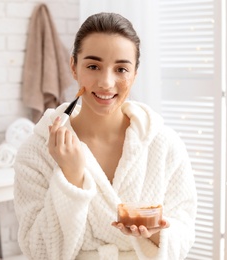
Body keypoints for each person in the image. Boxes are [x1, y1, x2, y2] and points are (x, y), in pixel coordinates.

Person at [13, 12, 197, 260]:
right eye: (93, 66)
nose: (106, 82)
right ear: (73, 67)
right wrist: (71, 178)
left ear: (134, 74)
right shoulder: (37, 151)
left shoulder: (164, 144)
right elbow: (39, 251)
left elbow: (184, 232)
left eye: (121, 69)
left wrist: (154, 234)